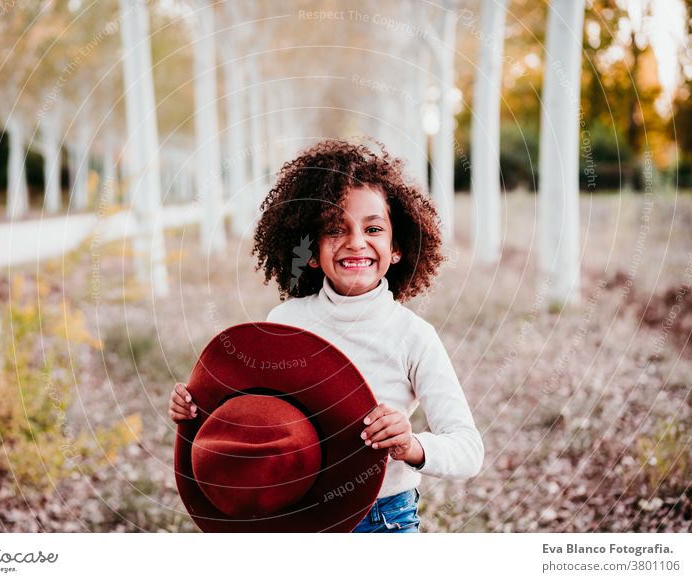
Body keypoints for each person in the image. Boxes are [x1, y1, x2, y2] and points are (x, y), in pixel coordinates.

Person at [170, 138, 484, 533]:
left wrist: (413, 446)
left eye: (373, 228)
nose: (356, 241)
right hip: (294, 514)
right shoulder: (285, 321)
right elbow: (250, 416)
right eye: (336, 229)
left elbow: (468, 449)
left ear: (397, 247)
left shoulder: (413, 337)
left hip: (383, 520)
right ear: (312, 251)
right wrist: (195, 411)